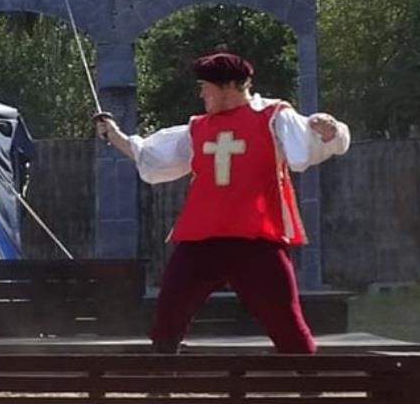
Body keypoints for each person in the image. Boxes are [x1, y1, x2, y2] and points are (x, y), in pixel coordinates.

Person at [95, 52, 350, 354]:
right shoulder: (199, 127)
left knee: (287, 323)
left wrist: (331, 131)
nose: (201, 92)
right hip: (202, 240)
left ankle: (311, 391)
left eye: (206, 86)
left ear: (229, 86)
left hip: (256, 240)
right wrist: (113, 134)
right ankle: (159, 386)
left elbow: (309, 149)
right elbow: (151, 155)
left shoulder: (274, 116)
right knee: (168, 317)